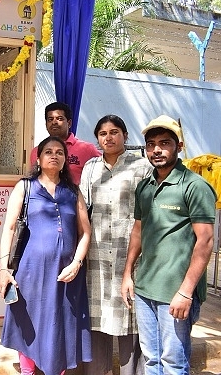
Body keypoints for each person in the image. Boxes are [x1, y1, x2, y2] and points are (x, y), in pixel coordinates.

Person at [121, 115, 217, 374]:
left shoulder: (195, 187)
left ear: (179, 146)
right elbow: (138, 232)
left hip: (176, 293)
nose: (156, 150)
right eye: (151, 144)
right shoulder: (145, 186)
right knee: (151, 360)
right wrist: (128, 274)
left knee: (173, 362)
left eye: (164, 143)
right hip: (145, 289)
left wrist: (186, 291)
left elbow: (205, 241)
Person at [0, 136, 92, 375]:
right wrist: (3, 269)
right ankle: (28, 371)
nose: (54, 155)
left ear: (65, 160)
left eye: (59, 152)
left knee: (60, 323)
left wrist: (77, 263)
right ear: (38, 159)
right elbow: (9, 228)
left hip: (66, 273)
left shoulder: (73, 191)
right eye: (48, 152)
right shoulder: (25, 187)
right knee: (28, 319)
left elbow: (85, 233)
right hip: (32, 270)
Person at [79, 115, 152, 375]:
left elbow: (148, 213)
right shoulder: (90, 167)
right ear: (97, 138)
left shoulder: (142, 167)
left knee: (129, 320)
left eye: (114, 132)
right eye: (102, 133)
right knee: (96, 319)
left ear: (125, 135)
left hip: (129, 255)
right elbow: (83, 210)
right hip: (97, 255)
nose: (108, 138)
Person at [30, 102, 100, 184]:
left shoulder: (87, 149)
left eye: (59, 119)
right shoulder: (37, 151)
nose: (54, 122)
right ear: (46, 124)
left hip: (77, 196)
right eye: (50, 119)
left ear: (69, 123)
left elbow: (104, 172)